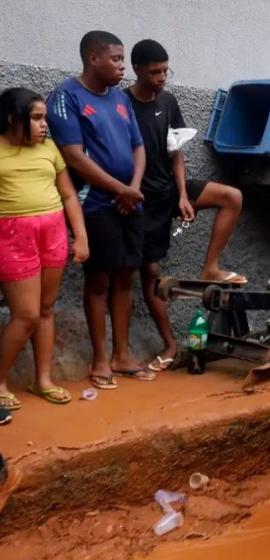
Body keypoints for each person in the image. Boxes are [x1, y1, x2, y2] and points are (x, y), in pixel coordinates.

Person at [125, 39, 246, 372]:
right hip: (144, 201)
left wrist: (182, 194)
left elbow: (175, 150)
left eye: (166, 70)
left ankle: (211, 267)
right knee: (150, 272)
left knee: (231, 197)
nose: (162, 77)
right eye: (155, 72)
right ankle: (170, 344)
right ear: (136, 69)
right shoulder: (122, 104)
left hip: (170, 189)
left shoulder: (168, 100)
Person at [46, 31, 148, 389]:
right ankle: (101, 359)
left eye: (122, 60)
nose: (123, 66)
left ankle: (122, 355)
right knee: (99, 280)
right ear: (93, 58)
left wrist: (132, 189)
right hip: (95, 203)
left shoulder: (120, 99)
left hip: (128, 201)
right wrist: (120, 189)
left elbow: (139, 147)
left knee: (126, 276)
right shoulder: (65, 96)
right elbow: (72, 156)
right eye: (117, 59)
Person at [0, 88, 88, 413]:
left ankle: (44, 380)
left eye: (44, 119)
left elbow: (67, 196)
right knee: (25, 315)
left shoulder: (49, 149)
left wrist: (81, 237)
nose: (43, 126)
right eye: (36, 119)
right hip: (11, 235)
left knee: (47, 308)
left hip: (53, 232)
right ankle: (0, 382)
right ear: (13, 119)